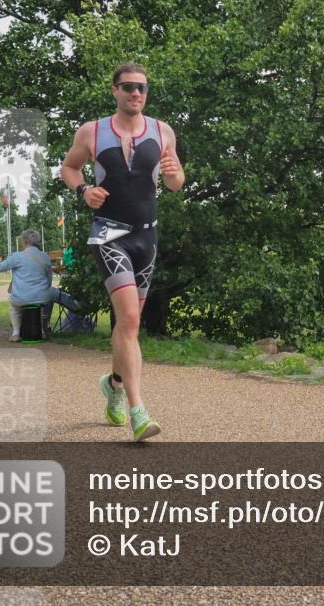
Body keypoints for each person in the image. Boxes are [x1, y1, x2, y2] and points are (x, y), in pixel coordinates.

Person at [61, 62, 184, 442]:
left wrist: (173, 172)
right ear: (114, 90)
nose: (136, 94)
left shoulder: (163, 132)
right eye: (129, 87)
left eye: (142, 89)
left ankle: (113, 384)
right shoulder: (92, 132)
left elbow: (176, 183)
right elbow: (69, 168)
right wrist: (84, 191)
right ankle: (138, 411)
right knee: (130, 319)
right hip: (109, 235)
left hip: (146, 238)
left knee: (128, 325)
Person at [0, 230, 71, 342]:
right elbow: (49, 279)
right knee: (43, 304)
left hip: (21, 297)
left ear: (24, 242)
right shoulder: (45, 257)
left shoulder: (17, 256)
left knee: (14, 307)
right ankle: (42, 330)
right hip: (42, 297)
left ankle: (16, 333)